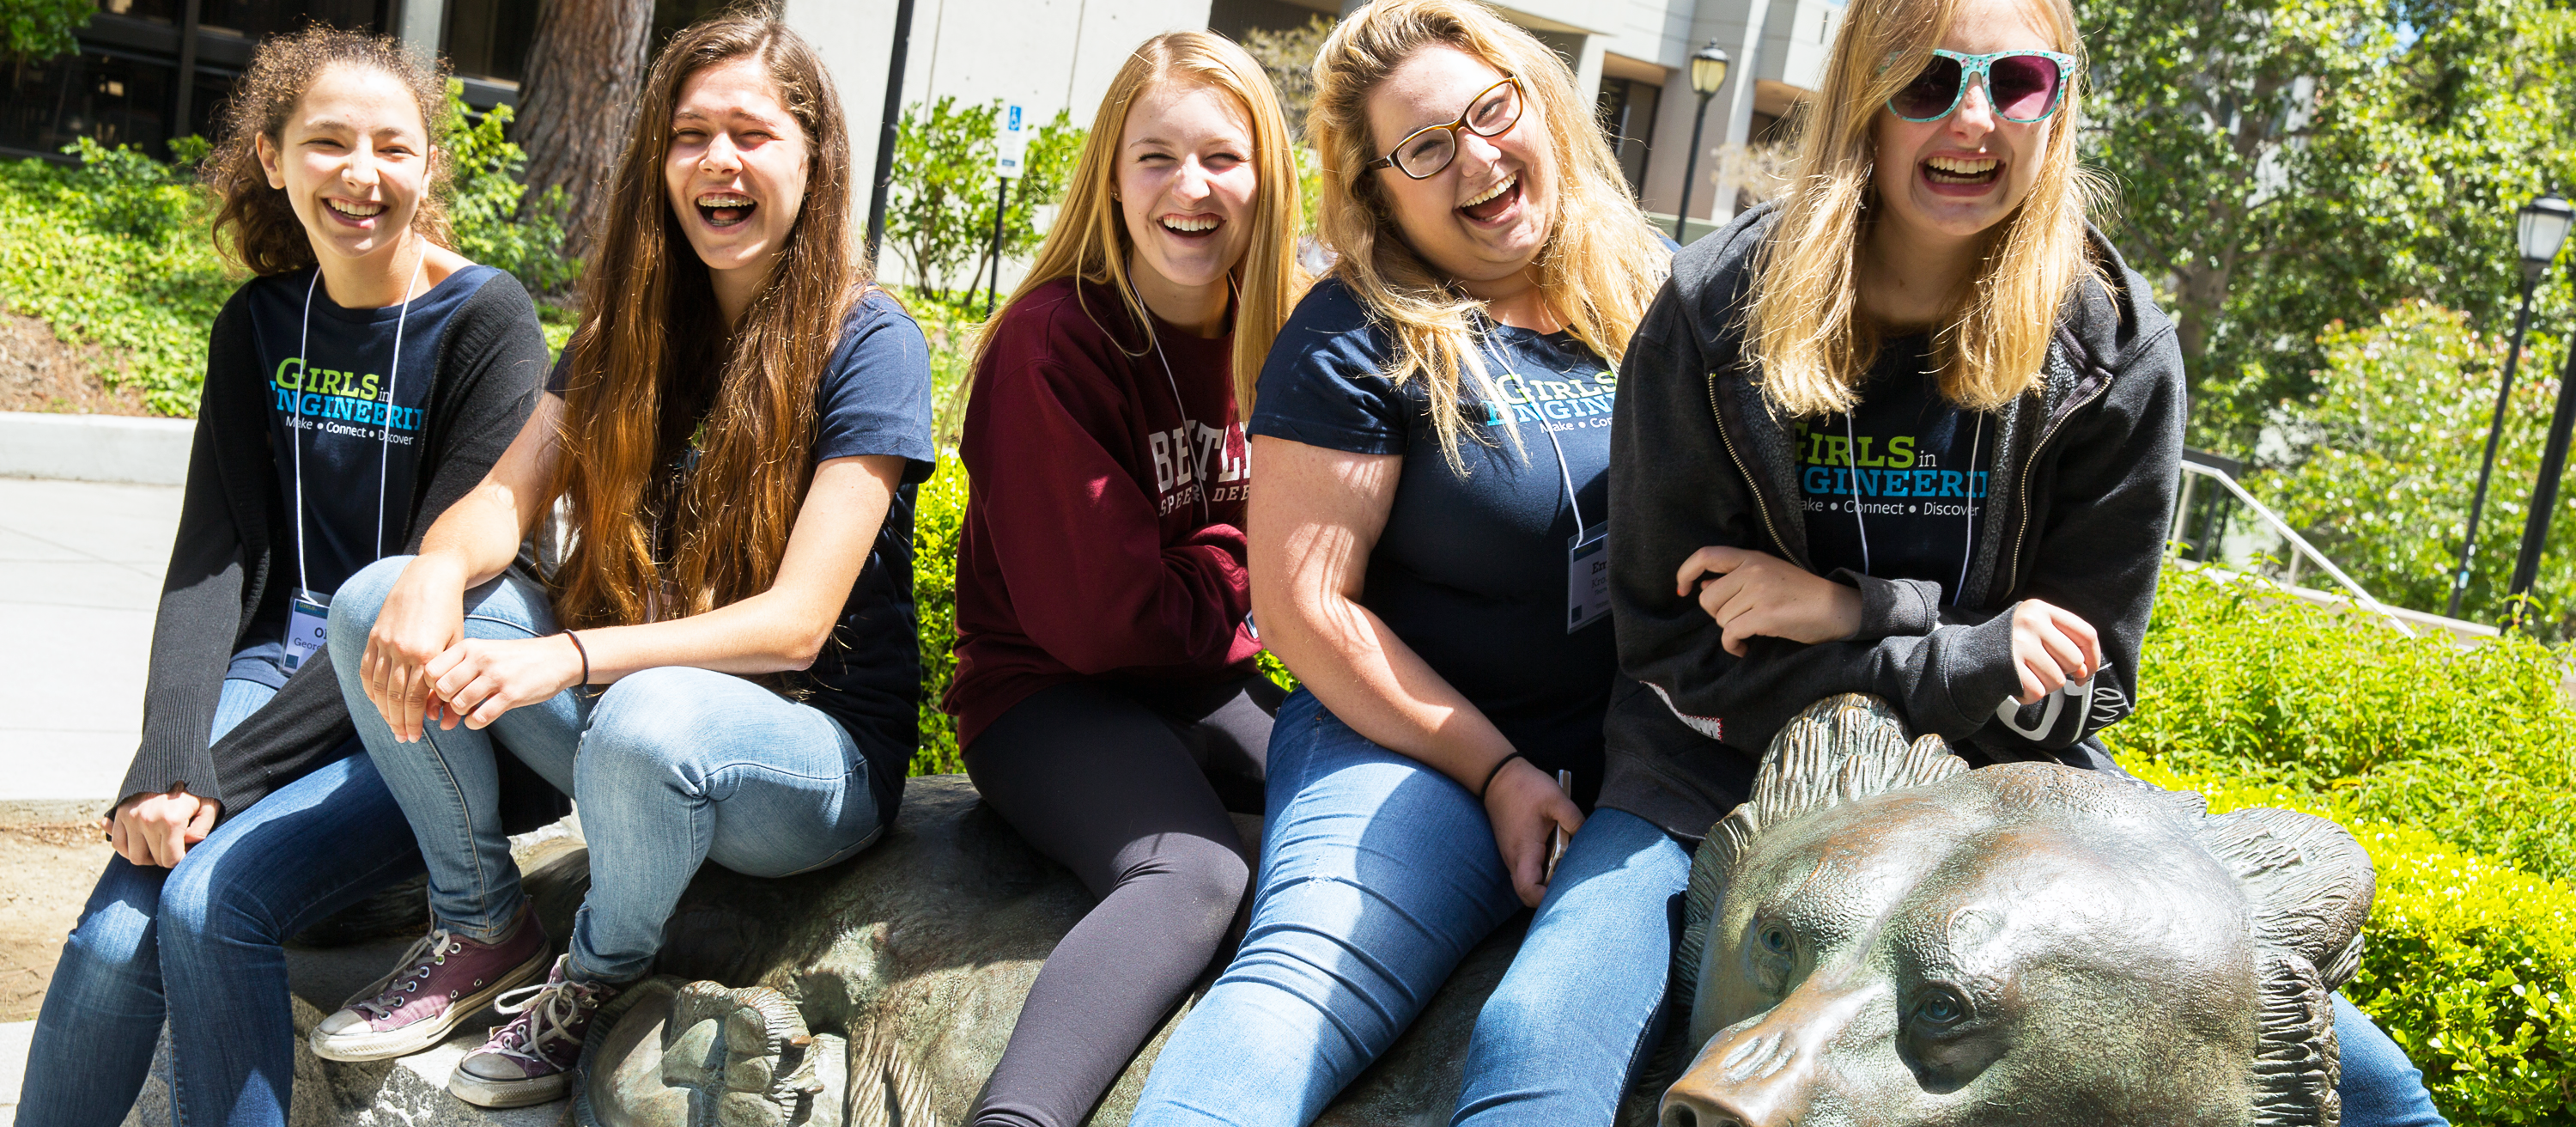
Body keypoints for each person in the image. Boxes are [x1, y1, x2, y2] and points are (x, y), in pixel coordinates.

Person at [1600, 0, 2450, 1124]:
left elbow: (2078, 688)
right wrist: (1973, 647)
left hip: (2007, 809)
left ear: (2058, 104)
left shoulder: (2111, 340)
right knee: (1543, 1041)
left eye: (2017, 83)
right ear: (1865, 95)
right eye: (1928, 81)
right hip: (1714, 779)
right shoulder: (1718, 311)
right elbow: (1678, 654)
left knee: (2380, 1093)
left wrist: (1849, 611)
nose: (1974, 118)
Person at [316, 14, 933, 1110]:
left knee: (650, 716)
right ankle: (480, 926)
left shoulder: (870, 341)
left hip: (802, 755)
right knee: (375, 602)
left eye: (752, 132)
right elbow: (503, 504)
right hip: (630, 722)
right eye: (691, 135)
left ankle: (593, 980)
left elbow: (795, 623)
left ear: (813, 158)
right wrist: (429, 571)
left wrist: (570, 656)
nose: (719, 162)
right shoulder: (625, 332)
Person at [1124, 3, 1670, 1123]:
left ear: (1539, 104)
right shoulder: (1353, 335)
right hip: (1410, 757)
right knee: (1296, 992)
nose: (1477, 157)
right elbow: (1300, 603)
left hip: (1637, 766)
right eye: (1426, 147)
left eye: (1490, 111)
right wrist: (1494, 770)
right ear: (1381, 190)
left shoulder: (1649, 289)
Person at [14, 27, 554, 1127]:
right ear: (271, 157)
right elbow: (212, 563)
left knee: (212, 898)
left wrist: (222, 774)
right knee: (120, 925)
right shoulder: (258, 324)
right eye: (328, 143)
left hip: (418, 711)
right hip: (279, 668)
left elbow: (420, 606)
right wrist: (162, 762)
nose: (362, 174)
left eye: (391, 147)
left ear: (430, 166)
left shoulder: (487, 323)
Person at [942, 31, 1304, 1127]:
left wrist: (1217, 572)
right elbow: (1099, 621)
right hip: (1048, 695)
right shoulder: (1054, 343)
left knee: (1364, 815)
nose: (1190, 189)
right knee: (1195, 879)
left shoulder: (1281, 337)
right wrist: (1250, 557)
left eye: (1222, 158)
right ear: (1110, 174)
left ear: (1266, 179)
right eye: (1155, 157)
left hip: (1201, 685)